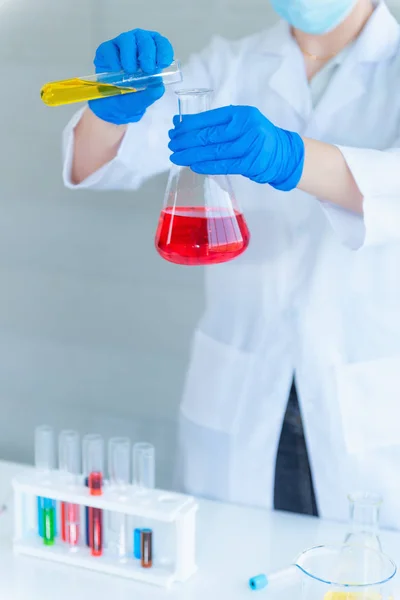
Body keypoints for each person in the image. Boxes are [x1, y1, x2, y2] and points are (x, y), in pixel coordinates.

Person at [62, 0, 400, 527]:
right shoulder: (231, 65)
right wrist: (109, 108)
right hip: (241, 396)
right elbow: (96, 165)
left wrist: (292, 157)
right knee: (230, 565)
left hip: (367, 407)